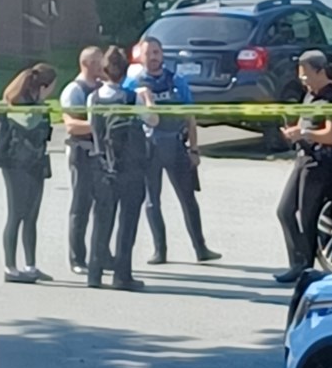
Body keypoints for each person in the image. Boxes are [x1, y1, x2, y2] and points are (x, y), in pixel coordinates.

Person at [123, 36, 221, 265]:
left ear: (162, 54)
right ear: (141, 56)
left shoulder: (177, 80)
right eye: (149, 53)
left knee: (188, 199)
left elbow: (190, 117)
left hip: (176, 145)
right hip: (149, 148)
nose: (153, 57)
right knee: (152, 200)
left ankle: (201, 248)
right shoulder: (133, 84)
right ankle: (160, 251)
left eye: (157, 52)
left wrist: (194, 149)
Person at [87, 46, 160, 291]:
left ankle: (94, 274)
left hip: (102, 165)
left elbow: (92, 125)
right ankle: (122, 275)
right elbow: (153, 120)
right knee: (127, 222)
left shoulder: (93, 98)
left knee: (101, 221)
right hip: (131, 168)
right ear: (125, 70)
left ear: (104, 71)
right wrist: (148, 98)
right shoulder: (133, 98)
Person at [273, 50, 332, 284]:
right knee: (284, 210)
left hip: (320, 162)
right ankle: (297, 262)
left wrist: (304, 132)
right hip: (303, 158)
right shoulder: (309, 97)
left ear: (320, 71)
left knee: (307, 216)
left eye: (305, 75)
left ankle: (306, 268)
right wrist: (293, 134)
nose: (302, 80)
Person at [0, 63, 58, 283]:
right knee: (16, 214)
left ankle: (31, 265)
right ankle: (10, 267)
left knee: (31, 216)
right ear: (43, 86)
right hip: (16, 165)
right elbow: (28, 126)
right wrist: (40, 103)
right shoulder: (18, 105)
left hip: (35, 164)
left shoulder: (36, 104)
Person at [60, 46, 112, 275]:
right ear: (87, 65)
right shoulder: (74, 91)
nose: (104, 67)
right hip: (81, 153)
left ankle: (102, 254)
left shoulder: (102, 89)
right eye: (99, 63)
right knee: (81, 207)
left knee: (104, 206)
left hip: (101, 154)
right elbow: (70, 125)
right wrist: (101, 126)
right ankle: (77, 258)